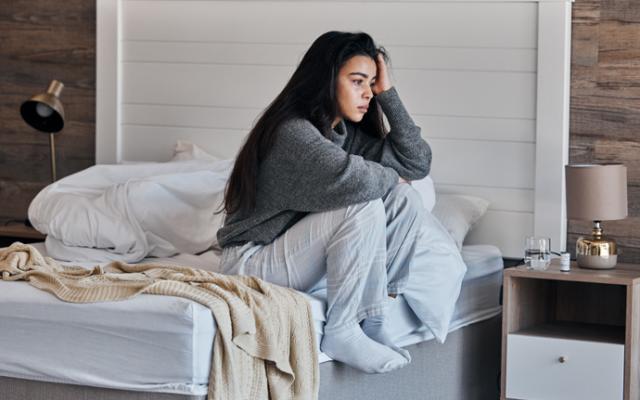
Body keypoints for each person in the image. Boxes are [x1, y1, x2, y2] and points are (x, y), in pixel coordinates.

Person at [217, 31, 466, 373]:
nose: (368, 93)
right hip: (250, 260)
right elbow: (354, 179)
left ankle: (375, 316)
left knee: (405, 198)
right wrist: (391, 176)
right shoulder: (292, 133)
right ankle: (342, 328)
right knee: (361, 204)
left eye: (373, 84)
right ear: (326, 80)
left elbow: (416, 164)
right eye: (358, 81)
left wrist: (388, 96)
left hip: (292, 258)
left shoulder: (345, 135)